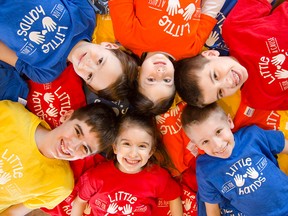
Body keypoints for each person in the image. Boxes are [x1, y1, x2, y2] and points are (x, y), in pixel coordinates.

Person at [0, 0, 138, 102]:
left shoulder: (45, 73)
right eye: (100, 61)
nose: (87, 64)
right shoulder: (86, 17)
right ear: (109, 46)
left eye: (90, 76)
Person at [0, 100, 118, 215]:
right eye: (77, 131)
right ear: (67, 116)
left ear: (86, 156)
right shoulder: (12, 114)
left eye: (85, 148)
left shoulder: (60, 186)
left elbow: (14, 212)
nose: (73, 146)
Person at [108, 0, 225, 115]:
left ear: (137, 74)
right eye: (167, 80)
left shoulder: (127, 37)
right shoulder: (191, 50)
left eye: (151, 79)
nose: (160, 72)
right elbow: (210, 11)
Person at [174, 0, 288, 110]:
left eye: (215, 76)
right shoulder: (258, 99)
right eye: (220, 92)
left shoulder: (234, 29)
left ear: (211, 54)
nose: (228, 83)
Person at [181, 102, 288, 215]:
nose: (217, 145)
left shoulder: (252, 135)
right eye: (205, 141)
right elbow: (212, 210)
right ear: (196, 144)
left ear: (229, 122)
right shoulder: (205, 169)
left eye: (218, 132)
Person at [70, 112, 183, 216]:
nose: (133, 154)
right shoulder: (96, 176)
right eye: (127, 144)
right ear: (115, 147)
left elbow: (174, 197)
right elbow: (80, 201)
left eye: (142, 146)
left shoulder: (158, 178)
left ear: (150, 152)